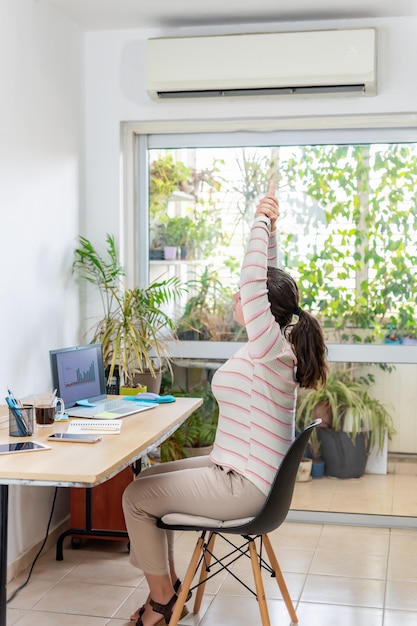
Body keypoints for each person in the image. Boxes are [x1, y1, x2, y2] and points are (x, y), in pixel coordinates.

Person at [122, 183, 328, 626]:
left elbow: (255, 281)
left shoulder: (273, 348)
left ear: (261, 310)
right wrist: (270, 228)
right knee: (149, 477)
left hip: (244, 488)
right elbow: (268, 278)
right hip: (239, 471)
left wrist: (257, 217)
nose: (237, 298)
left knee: (136, 496)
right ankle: (169, 586)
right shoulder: (276, 343)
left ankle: (161, 601)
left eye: (244, 298)